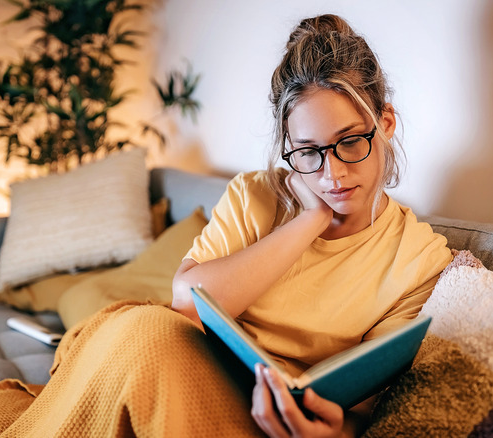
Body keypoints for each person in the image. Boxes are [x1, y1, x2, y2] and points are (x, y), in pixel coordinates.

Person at [171, 14, 452, 437]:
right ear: (289, 147)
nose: (332, 174)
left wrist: (332, 432)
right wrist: (311, 219)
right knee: (139, 329)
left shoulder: (419, 260)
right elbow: (186, 301)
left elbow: (365, 411)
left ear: (386, 123)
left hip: (276, 423)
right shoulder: (254, 196)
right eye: (308, 152)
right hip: (189, 375)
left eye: (351, 141)